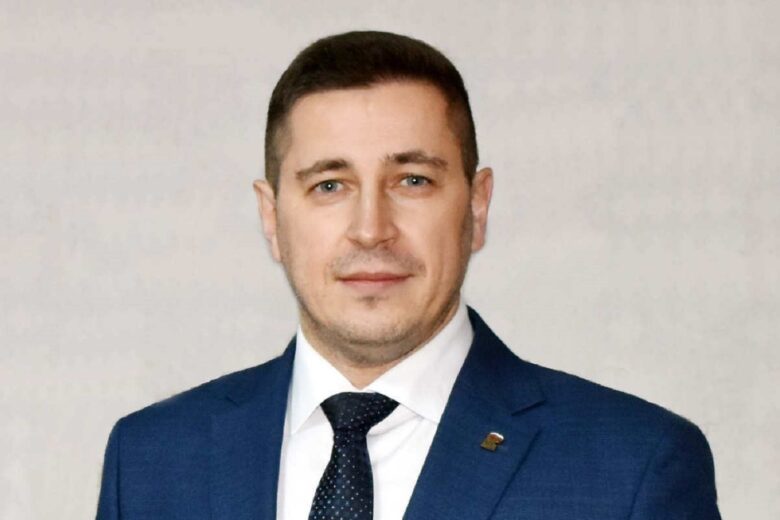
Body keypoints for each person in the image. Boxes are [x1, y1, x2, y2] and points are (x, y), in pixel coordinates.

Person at [96, 30, 721, 519]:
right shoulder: (151, 460)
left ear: (477, 207)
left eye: (413, 180)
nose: (371, 229)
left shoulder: (632, 468)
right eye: (330, 185)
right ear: (271, 216)